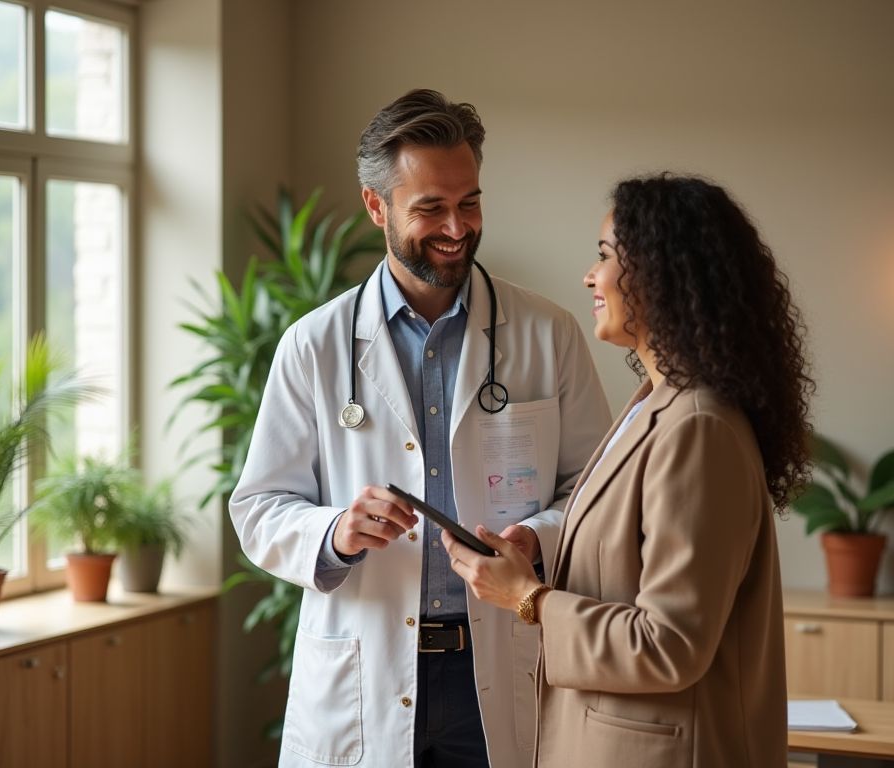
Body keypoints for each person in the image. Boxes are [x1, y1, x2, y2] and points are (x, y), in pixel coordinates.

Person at [228, 89, 612, 768]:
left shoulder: (547, 334)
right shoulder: (314, 345)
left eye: (470, 202)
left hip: (498, 661)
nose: (457, 227)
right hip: (366, 666)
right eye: (431, 208)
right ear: (376, 206)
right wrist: (335, 531)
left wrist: (537, 537)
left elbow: (595, 491)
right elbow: (258, 507)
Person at [445, 173, 814, 767]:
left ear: (662, 272)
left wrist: (528, 598)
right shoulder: (654, 405)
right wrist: (537, 551)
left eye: (605, 256)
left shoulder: (698, 426)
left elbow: (669, 645)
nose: (590, 276)